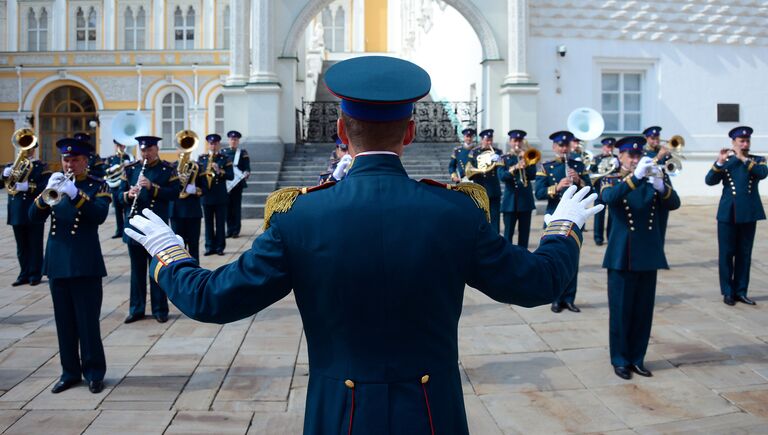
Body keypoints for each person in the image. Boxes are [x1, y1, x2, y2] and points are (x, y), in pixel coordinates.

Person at [125, 56, 601, 434]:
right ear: (410, 131)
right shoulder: (455, 211)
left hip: (340, 414)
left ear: (340, 132)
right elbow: (538, 283)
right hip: (432, 414)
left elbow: (212, 300)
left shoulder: (300, 215)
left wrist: (169, 252)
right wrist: (563, 228)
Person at [29, 136, 110, 394]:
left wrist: (76, 195)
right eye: (66, 159)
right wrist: (44, 196)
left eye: (75, 159)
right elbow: (33, 217)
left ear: (86, 160)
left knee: (87, 322)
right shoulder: (54, 184)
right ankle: (70, 372)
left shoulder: (98, 185)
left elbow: (98, 215)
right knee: (64, 323)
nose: (70, 164)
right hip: (57, 262)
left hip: (85, 262)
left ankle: (94, 372)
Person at [600, 136, 680, 379]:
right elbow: (609, 199)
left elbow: (674, 203)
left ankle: (637, 358)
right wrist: (634, 179)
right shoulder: (610, 179)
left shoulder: (653, 178)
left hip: (648, 254)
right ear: (620, 157)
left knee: (643, 311)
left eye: (638, 155)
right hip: (622, 255)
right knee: (621, 310)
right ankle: (620, 359)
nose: (635, 159)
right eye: (630, 156)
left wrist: (660, 186)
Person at [119, 136, 180, 324]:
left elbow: (174, 193)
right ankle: (136, 309)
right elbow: (118, 196)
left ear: (156, 149)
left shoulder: (167, 169)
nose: (146, 153)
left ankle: (160, 309)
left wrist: (153, 187)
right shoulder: (131, 169)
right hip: (135, 226)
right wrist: (129, 195)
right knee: (136, 271)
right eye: (143, 150)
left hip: (156, 229)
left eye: (149, 150)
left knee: (158, 270)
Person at [705, 126, 766, 306]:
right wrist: (719, 162)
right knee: (726, 253)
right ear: (734, 142)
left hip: (749, 212)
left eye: (747, 141)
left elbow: (762, 173)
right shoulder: (727, 162)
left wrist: (743, 158)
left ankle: (741, 291)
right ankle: (727, 291)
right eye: (742, 141)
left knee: (744, 253)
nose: (745, 144)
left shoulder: (757, 160)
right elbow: (709, 181)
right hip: (728, 212)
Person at [535, 130, 592, 313]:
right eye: (560, 145)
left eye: (566, 145)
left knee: (572, 259)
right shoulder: (546, 167)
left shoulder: (578, 165)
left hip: (574, 220)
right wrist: (557, 187)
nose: (564, 148)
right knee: (554, 260)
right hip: (554, 218)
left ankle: (569, 299)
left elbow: (590, 189)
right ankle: (556, 298)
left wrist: (579, 180)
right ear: (554, 147)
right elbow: (539, 193)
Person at [2, 145, 50, 286]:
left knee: (35, 244)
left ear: (33, 150)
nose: (24, 151)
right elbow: (3, 185)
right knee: (21, 246)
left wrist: (28, 187)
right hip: (16, 211)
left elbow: (44, 186)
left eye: (28, 148)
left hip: (33, 209)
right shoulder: (11, 165)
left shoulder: (41, 166)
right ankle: (24, 273)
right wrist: (3, 175)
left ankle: (35, 274)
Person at [498, 129, 536, 249]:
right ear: (510, 142)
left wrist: (527, 163)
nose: (517, 144)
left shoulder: (529, 157)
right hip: (510, 202)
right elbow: (502, 176)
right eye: (515, 141)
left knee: (524, 236)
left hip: (525, 202)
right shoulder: (502, 158)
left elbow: (533, 175)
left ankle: (523, 260)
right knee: (508, 235)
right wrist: (515, 167)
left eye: (519, 141)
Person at [198, 134, 234, 256]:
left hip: (220, 196)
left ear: (219, 144)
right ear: (208, 144)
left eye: (215, 143)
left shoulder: (225, 158)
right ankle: (209, 247)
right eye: (211, 144)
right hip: (206, 196)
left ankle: (220, 247)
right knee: (208, 223)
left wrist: (219, 171)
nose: (213, 146)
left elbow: (231, 176)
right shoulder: (202, 159)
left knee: (220, 223)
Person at [466, 129, 503, 233]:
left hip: (494, 189)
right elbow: (469, 168)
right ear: (482, 140)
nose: (489, 142)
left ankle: (495, 241)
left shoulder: (497, 152)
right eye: (487, 140)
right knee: (480, 218)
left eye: (491, 140)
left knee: (495, 218)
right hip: (480, 188)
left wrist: (499, 160)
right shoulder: (474, 152)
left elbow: (501, 170)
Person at [170, 151, 204, 261]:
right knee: (178, 248)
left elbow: (205, 189)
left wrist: (193, 189)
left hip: (193, 211)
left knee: (194, 247)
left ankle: (196, 274)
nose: (183, 151)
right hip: (176, 212)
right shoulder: (170, 167)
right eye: (181, 148)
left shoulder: (197, 167)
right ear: (177, 150)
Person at [642, 126, 673, 245]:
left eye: (657, 137)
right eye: (652, 138)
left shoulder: (663, 151)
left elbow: (671, 169)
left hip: (663, 191)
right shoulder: (642, 153)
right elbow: (646, 170)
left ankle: (660, 254)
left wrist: (669, 156)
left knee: (661, 227)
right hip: (650, 192)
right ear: (647, 138)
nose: (656, 140)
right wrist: (659, 157)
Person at [590, 137, 618, 245]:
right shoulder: (596, 159)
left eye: (611, 147)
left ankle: (610, 236)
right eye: (607, 146)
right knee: (598, 214)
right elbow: (590, 172)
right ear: (603, 147)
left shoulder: (617, 159)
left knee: (612, 214)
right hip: (599, 190)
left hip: (612, 190)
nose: (609, 149)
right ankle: (598, 238)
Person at [223, 130, 250, 238]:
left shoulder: (243, 153)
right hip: (226, 184)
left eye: (235, 140)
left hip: (237, 184)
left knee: (236, 208)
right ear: (229, 140)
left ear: (238, 141)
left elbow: (247, 167)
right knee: (227, 208)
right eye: (232, 139)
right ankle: (229, 229)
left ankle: (236, 230)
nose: (233, 141)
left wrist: (247, 172)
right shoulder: (223, 152)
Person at [105, 140, 134, 238]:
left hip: (125, 186)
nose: (120, 147)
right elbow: (106, 171)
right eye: (118, 145)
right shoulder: (111, 159)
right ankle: (119, 230)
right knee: (117, 210)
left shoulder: (128, 157)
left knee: (126, 209)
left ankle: (127, 230)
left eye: (121, 145)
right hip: (115, 186)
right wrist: (115, 168)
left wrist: (126, 165)